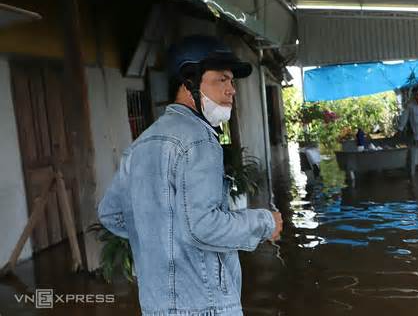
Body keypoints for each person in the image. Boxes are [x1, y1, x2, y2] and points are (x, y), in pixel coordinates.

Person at [97, 35, 283, 316]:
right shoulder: (199, 140)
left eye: (232, 81)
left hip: (156, 305)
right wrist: (265, 222)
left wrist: (162, 237)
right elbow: (204, 226)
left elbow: (111, 213)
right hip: (204, 304)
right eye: (222, 79)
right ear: (189, 83)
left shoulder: (140, 145)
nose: (232, 89)